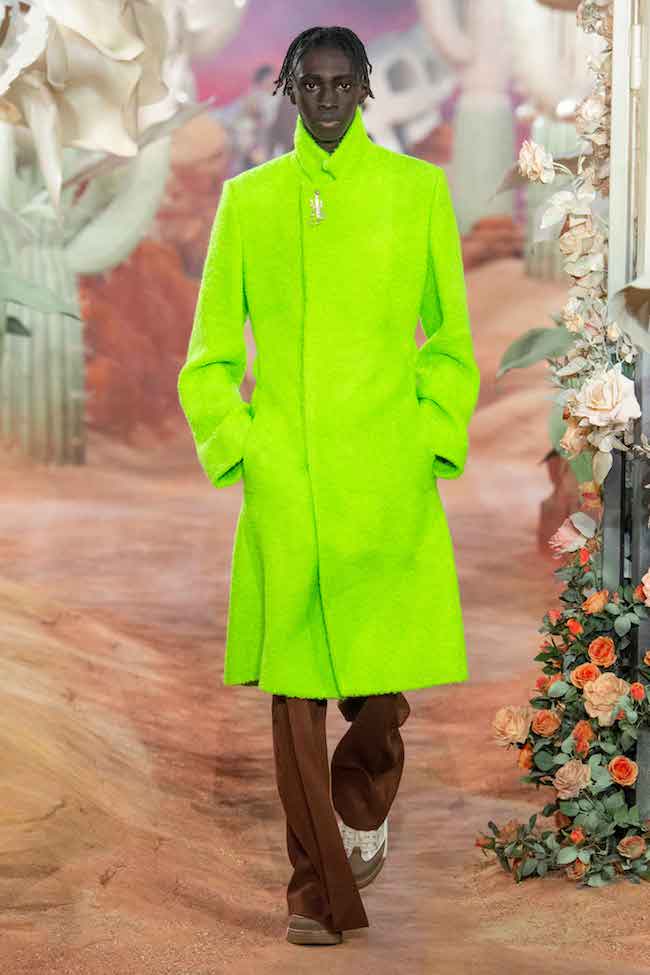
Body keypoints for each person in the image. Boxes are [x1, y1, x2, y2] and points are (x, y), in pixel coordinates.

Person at [177, 25, 480, 947]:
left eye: (343, 84)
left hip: (386, 475)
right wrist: (245, 446)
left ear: (366, 88)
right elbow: (209, 356)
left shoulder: (416, 192)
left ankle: (364, 789)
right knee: (296, 690)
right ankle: (313, 888)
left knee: (380, 689)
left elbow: (450, 343)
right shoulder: (250, 201)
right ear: (288, 90)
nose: (327, 100)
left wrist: (428, 439)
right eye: (310, 85)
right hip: (290, 480)